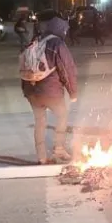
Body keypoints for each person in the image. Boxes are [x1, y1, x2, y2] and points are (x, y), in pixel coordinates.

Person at [20, 14, 78, 164]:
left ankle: (41, 157)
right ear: (60, 30)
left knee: (40, 122)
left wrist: (26, 90)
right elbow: (67, 69)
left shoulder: (36, 41)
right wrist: (72, 92)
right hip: (50, 91)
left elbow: (26, 66)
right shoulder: (57, 44)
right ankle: (59, 148)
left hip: (31, 90)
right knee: (62, 115)